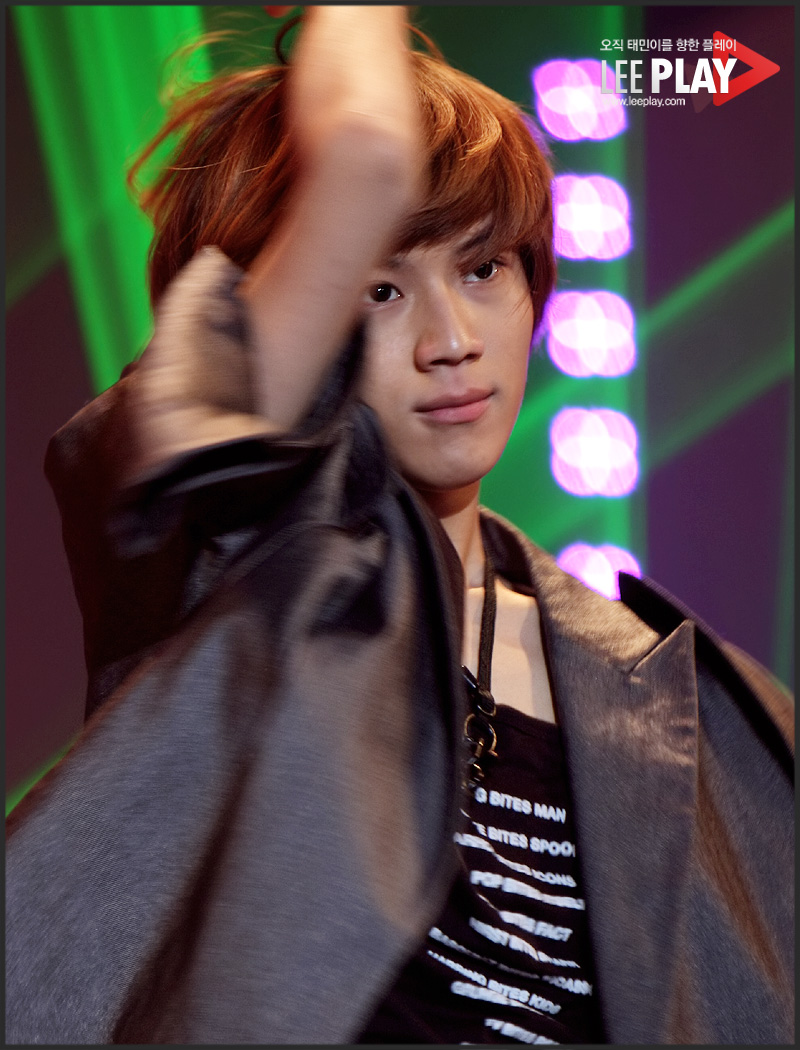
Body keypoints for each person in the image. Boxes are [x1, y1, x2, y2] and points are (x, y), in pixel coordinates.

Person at [6, 6, 793, 1045]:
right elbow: (366, 154)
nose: (451, 340)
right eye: (380, 288)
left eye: (484, 268)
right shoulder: (225, 545)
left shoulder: (710, 707)